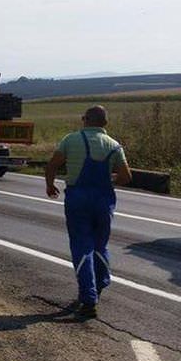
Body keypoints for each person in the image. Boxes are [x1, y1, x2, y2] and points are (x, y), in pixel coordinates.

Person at [45, 105, 132, 319]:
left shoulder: (70, 140)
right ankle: (100, 283)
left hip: (78, 199)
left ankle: (88, 299)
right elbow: (126, 176)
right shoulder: (114, 145)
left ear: (85, 120)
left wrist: (50, 185)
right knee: (100, 245)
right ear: (105, 124)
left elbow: (52, 165)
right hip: (104, 200)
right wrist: (109, 180)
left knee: (82, 246)